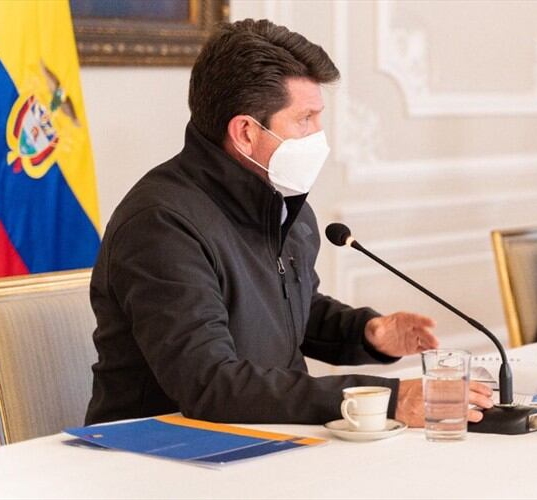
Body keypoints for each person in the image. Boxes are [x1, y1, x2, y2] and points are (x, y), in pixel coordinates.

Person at [85, 19, 493, 427]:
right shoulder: (161, 225)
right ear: (245, 132)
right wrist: (383, 399)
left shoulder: (280, 203)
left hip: (264, 437)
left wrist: (366, 332)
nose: (319, 136)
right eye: (305, 120)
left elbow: (286, 308)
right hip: (154, 453)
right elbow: (209, 384)